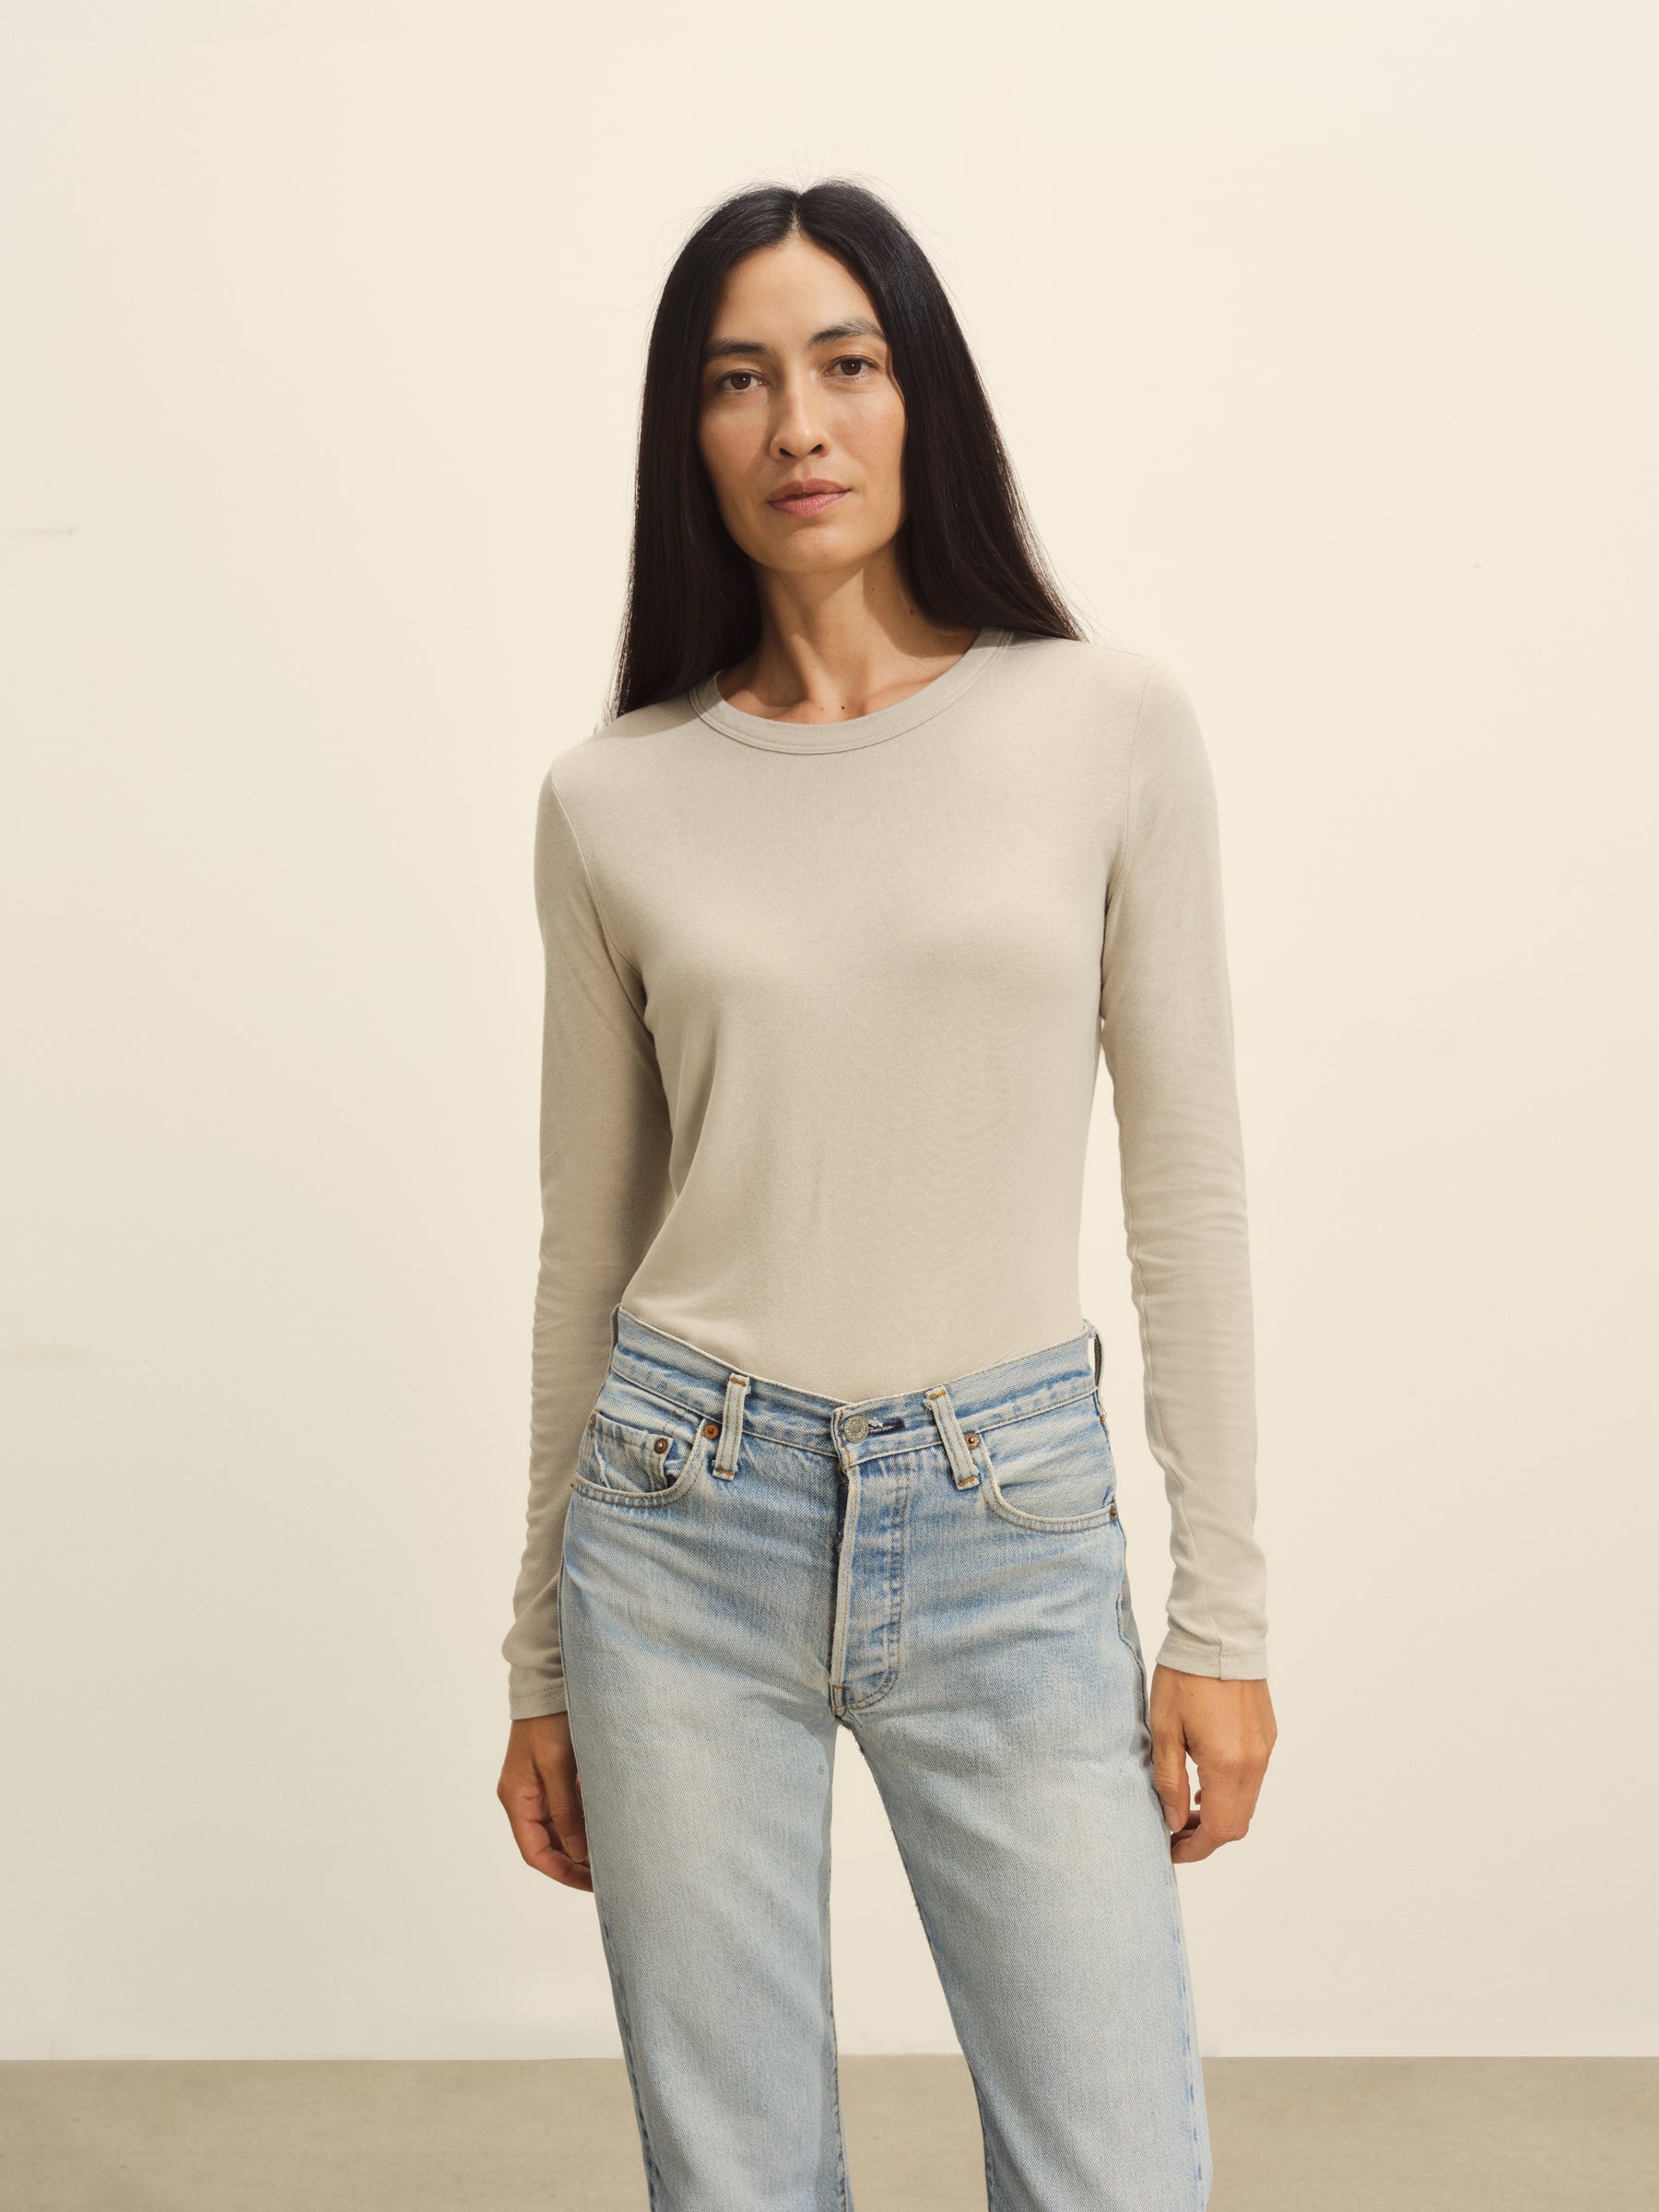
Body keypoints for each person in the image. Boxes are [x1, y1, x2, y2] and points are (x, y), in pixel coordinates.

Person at [496, 177, 1277, 2212]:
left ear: (923, 391)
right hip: (677, 1521)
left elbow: (1188, 1188)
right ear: (688, 433)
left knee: (1115, 2176)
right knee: (737, 2184)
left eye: (846, 364)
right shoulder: (612, 796)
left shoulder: (1104, 723)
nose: (799, 426)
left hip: (1006, 1515)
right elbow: (590, 1244)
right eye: (738, 380)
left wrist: (1222, 1615)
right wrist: (535, 1658)